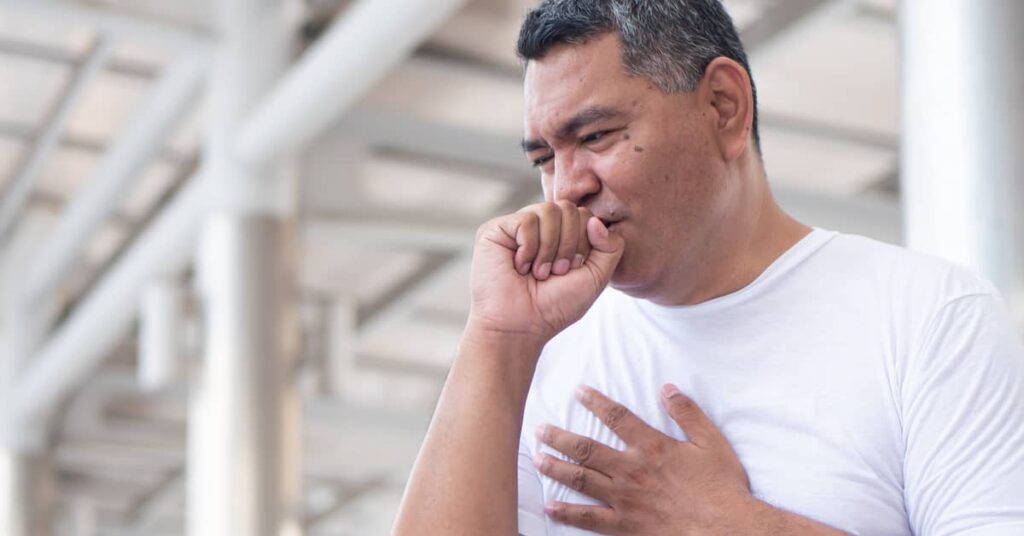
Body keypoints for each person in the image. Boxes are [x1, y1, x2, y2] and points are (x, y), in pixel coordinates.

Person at [393, 1, 1024, 534]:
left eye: (596, 137)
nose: (566, 187)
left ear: (724, 106)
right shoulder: (539, 357)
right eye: (545, 155)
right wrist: (497, 339)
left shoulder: (927, 316)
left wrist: (727, 520)